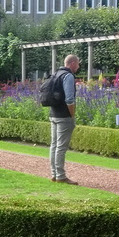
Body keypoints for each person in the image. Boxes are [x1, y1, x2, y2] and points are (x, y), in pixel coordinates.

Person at [48, 54, 80, 184]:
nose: (78, 66)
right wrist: (72, 115)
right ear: (72, 63)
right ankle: (60, 176)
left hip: (53, 113)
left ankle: (54, 174)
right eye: (77, 64)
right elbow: (69, 99)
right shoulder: (68, 76)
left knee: (54, 146)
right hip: (63, 116)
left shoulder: (56, 74)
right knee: (61, 147)